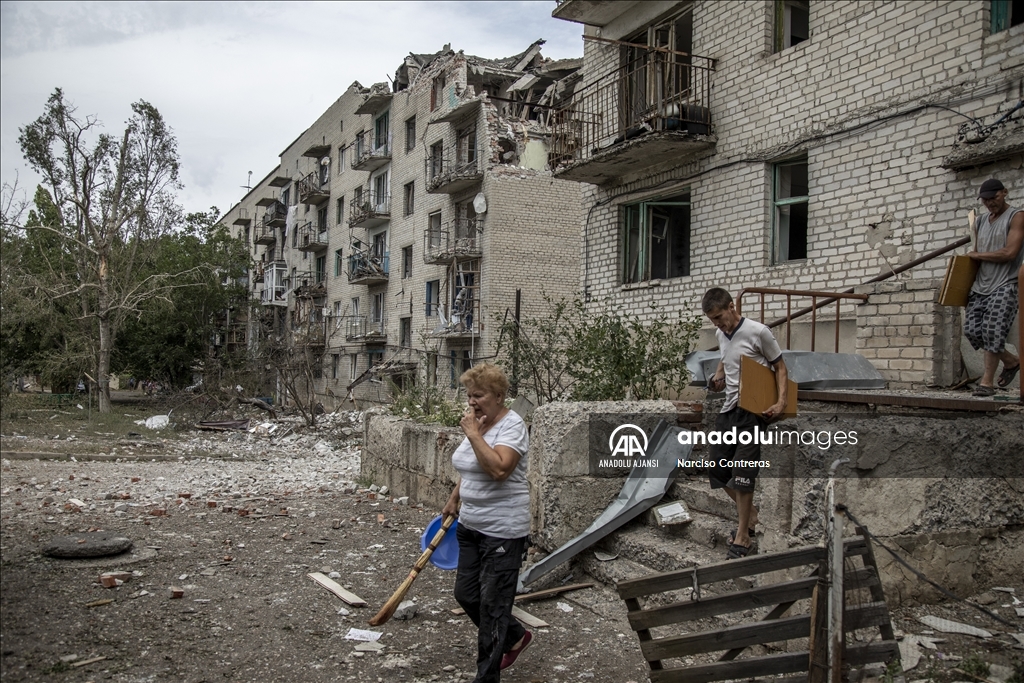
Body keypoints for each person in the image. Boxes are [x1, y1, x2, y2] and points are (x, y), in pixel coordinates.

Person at [442, 363, 532, 682]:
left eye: (478, 395)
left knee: (492, 609)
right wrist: (455, 497)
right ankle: (515, 636)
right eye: (469, 395)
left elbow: (499, 469)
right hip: (470, 526)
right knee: (467, 595)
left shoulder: (512, 426)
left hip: (502, 530)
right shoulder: (479, 424)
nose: (472, 402)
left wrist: (472, 434)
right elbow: (472, 465)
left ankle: (486, 677)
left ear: (498, 396)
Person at [702, 287, 788, 559]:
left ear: (731, 307)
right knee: (717, 469)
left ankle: (743, 537)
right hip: (729, 410)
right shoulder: (720, 334)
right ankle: (751, 517)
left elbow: (780, 367)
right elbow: (725, 358)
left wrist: (781, 403)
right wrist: (718, 378)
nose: (717, 324)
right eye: (712, 320)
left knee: (742, 472)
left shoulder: (758, 332)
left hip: (753, 410)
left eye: (719, 317)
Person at [965, 179, 1023, 396]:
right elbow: (975, 254)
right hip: (980, 285)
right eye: (985, 200)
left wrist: (977, 255)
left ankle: (987, 383)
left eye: (994, 198)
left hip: (1005, 283)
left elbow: (1010, 253)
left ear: (1005, 192)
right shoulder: (980, 221)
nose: (990, 203)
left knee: (993, 331)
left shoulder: (1017, 216)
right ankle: (1011, 361)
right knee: (972, 331)